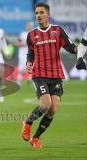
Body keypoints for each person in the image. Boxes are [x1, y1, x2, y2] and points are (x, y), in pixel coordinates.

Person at [21, 3, 77, 148]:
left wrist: (81, 48)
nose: (38, 15)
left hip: (56, 74)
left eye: (41, 12)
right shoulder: (32, 35)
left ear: (48, 15)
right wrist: (28, 62)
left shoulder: (58, 31)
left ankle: (36, 138)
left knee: (53, 110)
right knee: (46, 105)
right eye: (36, 13)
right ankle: (28, 122)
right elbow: (31, 53)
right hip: (39, 74)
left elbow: (71, 48)